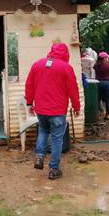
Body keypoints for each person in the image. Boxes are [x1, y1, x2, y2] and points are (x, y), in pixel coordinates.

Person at [24, 42, 80, 180]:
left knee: (43, 130)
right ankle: (54, 169)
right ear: (65, 53)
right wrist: (76, 107)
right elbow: (73, 90)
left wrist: (30, 103)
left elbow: (29, 85)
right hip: (57, 110)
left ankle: (39, 156)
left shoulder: (37, 65)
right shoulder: (66, 68)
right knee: (57, 139)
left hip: (41, 109)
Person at [94, 51, 109, 120]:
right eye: (107, 58)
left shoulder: (96, 66)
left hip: (98, 83)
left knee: (98, 99)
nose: (108, 59)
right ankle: (107, 115)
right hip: (107, 83)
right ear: (104, 58)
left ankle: (100, 111)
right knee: (107, 99)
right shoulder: (108, 66)